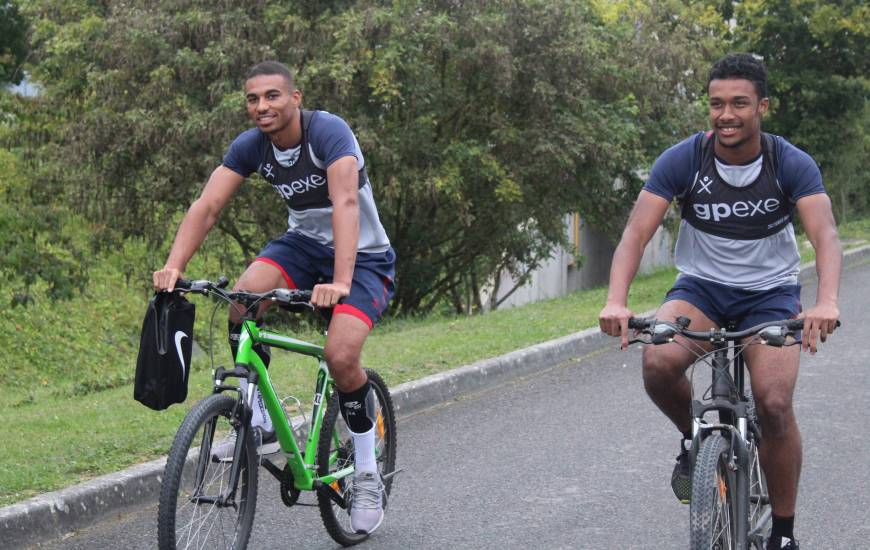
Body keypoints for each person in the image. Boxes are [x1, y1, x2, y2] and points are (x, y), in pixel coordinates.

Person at [598, 53, 840, 550]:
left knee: (773, 403)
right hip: (701, 289)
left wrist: (826, 301)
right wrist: (616, 301)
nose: (726, 114)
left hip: (769, 295)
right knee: (659, 361)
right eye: (716, 104)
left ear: (762, 106)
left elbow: (826, 236)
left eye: (739, 104)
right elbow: (635, 234)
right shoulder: (684, 159)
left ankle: (783, 533)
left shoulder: (788, 162)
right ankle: (695, 440)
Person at [152, 60, 395, 535]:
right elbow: (208, 205)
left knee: (341, 356)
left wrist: (341, 282)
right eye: (252, 99)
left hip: (363, 255)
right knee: (241, 300)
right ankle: (257, 421)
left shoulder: (329, 134)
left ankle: (366, 471)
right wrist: (174, 265)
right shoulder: (252, 147)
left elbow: (345, 203)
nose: (261, 106)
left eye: (272, 96)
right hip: (302, 246)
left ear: (295, 98)